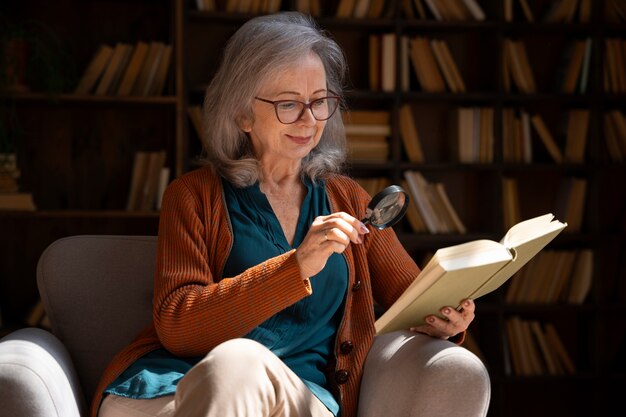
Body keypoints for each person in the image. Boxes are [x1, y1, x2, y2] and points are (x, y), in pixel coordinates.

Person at [92, 11, 490, 417]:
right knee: (237, 363)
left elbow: (416, 299)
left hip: (297, 396)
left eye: (319, 102)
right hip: (172, 386)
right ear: (241, 113)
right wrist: (296, 266)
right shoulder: (193, 195)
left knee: (241, 363)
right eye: (288, 104)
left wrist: (448, 320)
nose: (309, 120)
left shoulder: (348, 199)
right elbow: (178, 327)